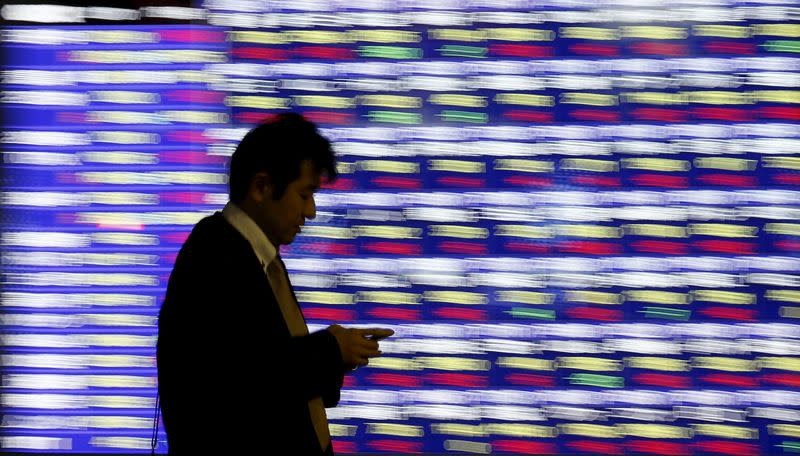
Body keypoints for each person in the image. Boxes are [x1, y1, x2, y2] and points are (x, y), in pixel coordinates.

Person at [156, 113, 393, 455]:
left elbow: (272, 368)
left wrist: (339, 355)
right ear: (261, 187)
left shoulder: (258, 254)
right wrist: (329, 349)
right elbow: (240, 381)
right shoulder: (214, 256)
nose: (311, 211)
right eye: (304, 194)